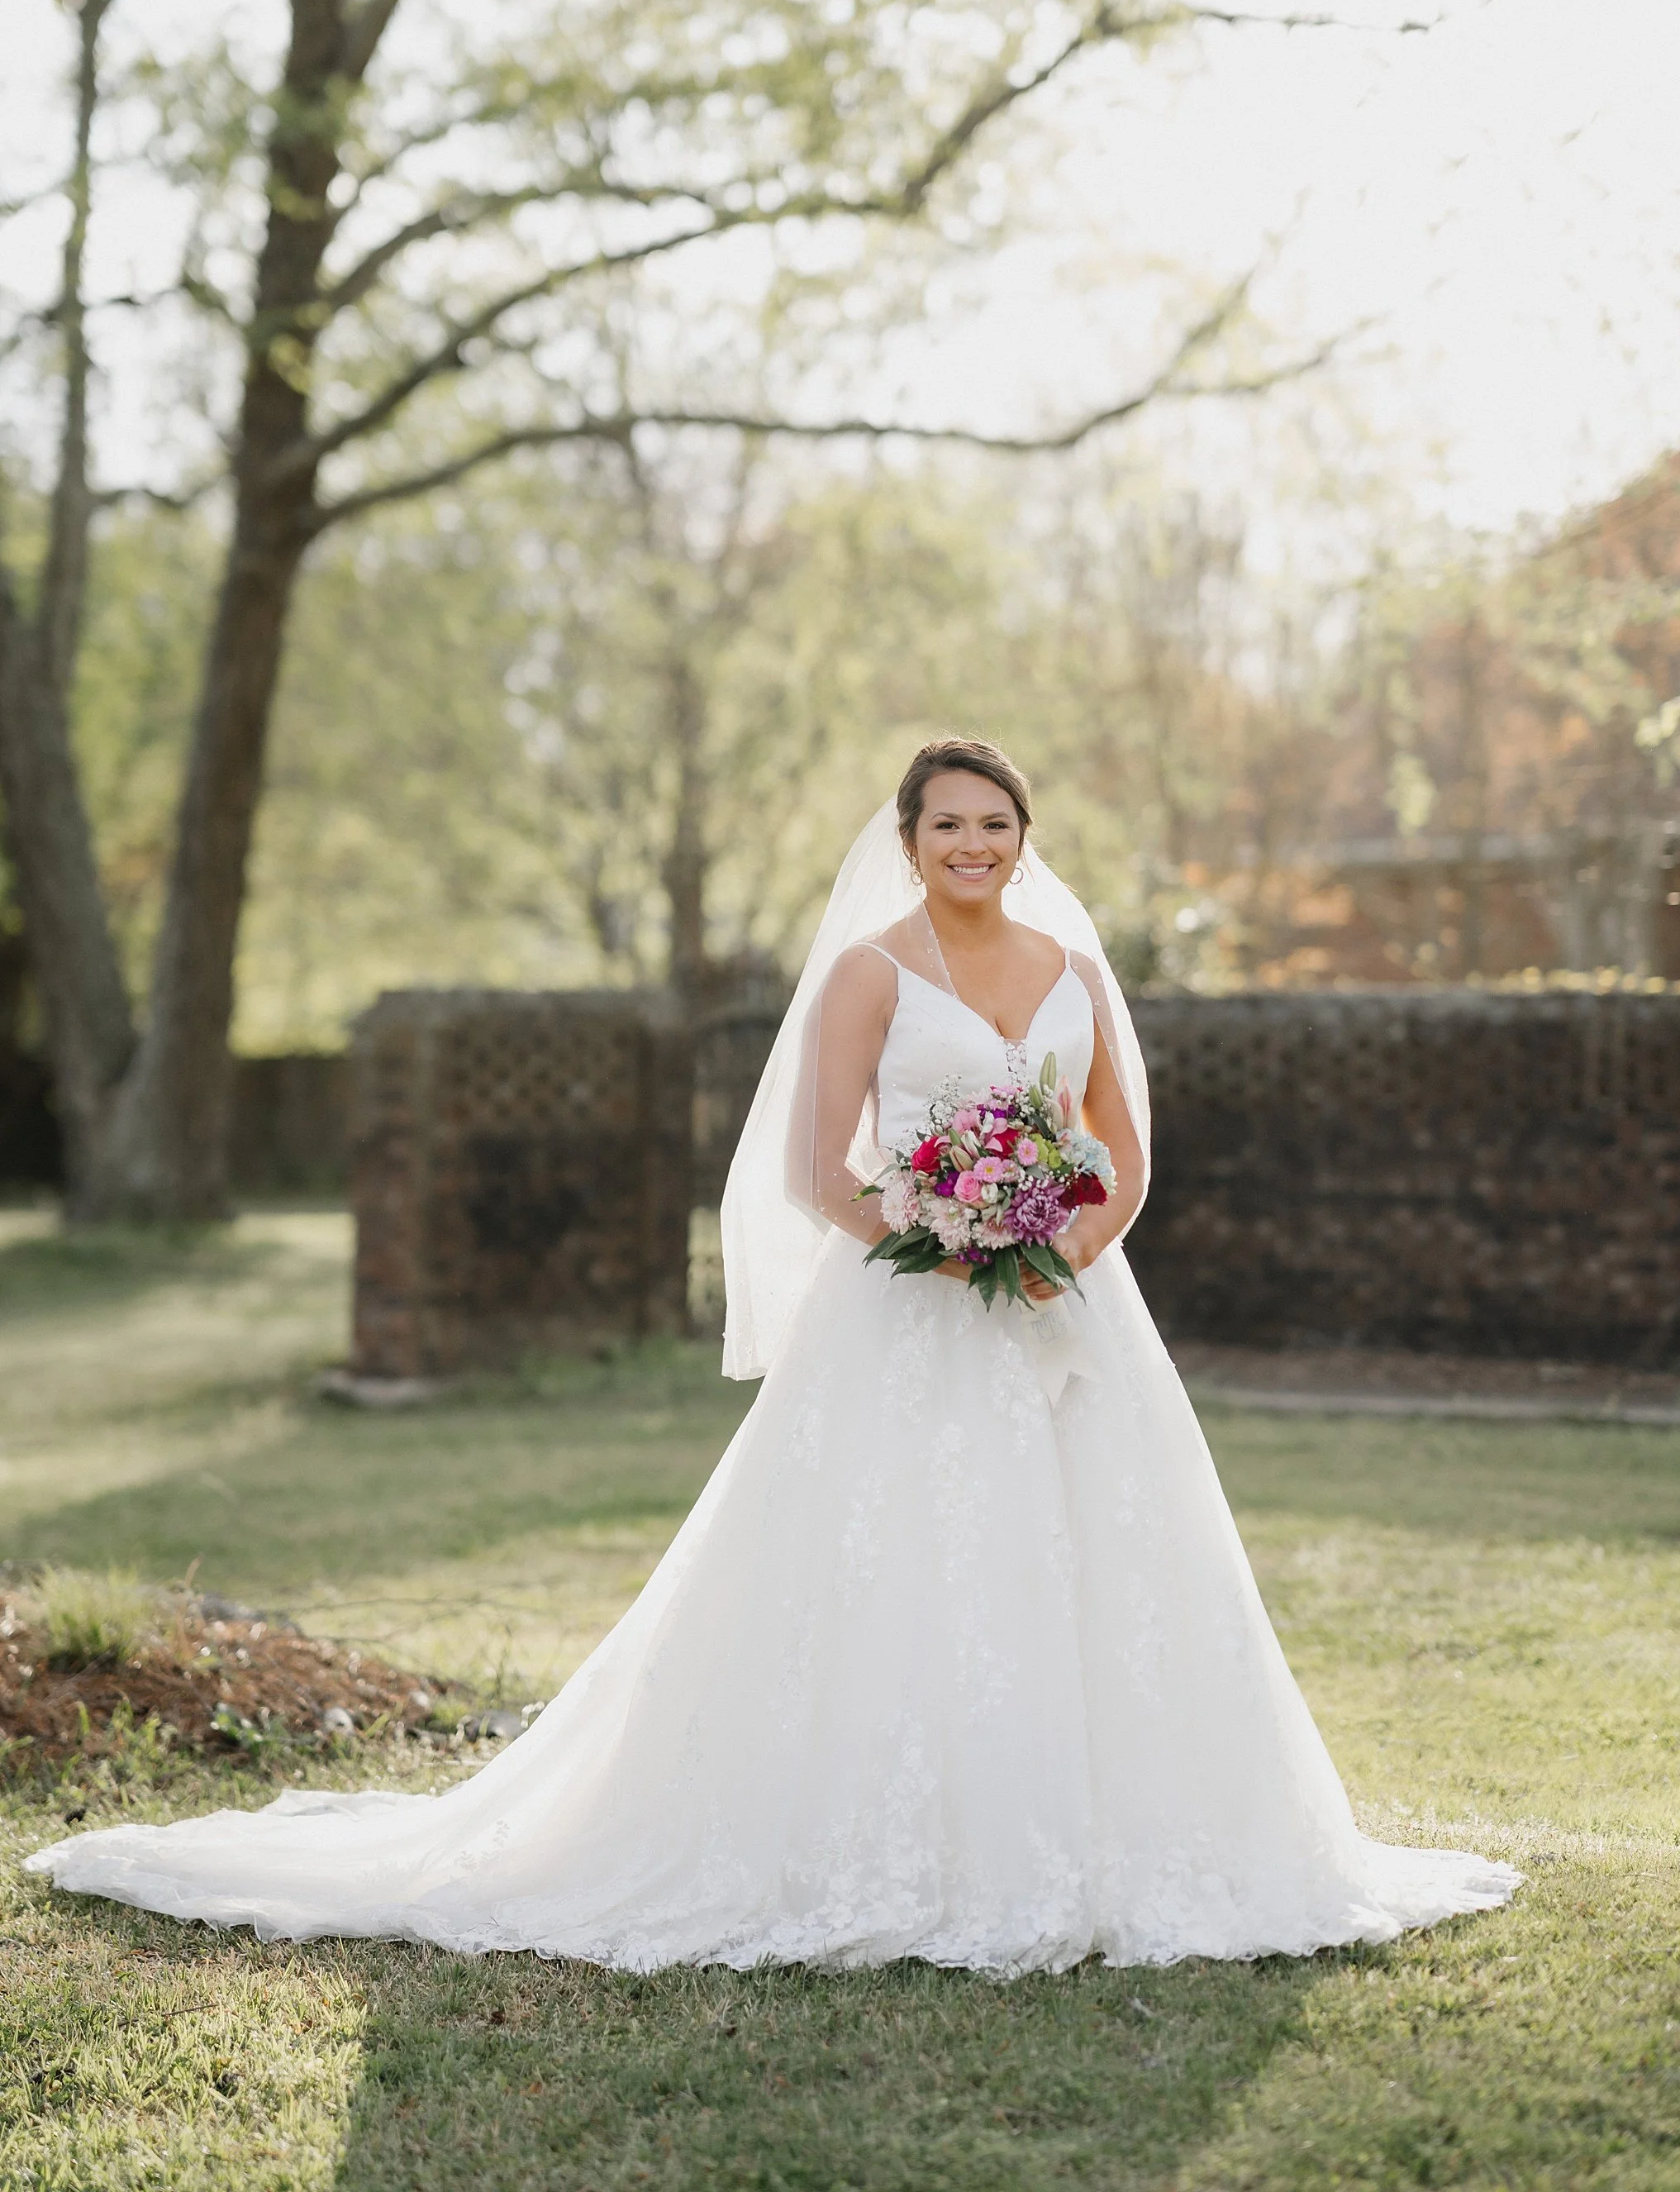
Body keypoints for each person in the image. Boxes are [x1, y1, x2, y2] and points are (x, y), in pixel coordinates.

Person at [29, 738, 1518, 1969]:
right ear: (909, 839)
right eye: (949, 825)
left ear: (1024, 838)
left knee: (1109, 1562)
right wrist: (952, 1242)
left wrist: (1056, 1249)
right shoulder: (873, 972)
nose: (975, 845)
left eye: (996, 824)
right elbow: (821, 1173)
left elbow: (1122, 1158)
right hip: (908, 1312)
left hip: (1071, 1312)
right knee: (894, 1567)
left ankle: (1137, 1839)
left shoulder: (1075, 967)